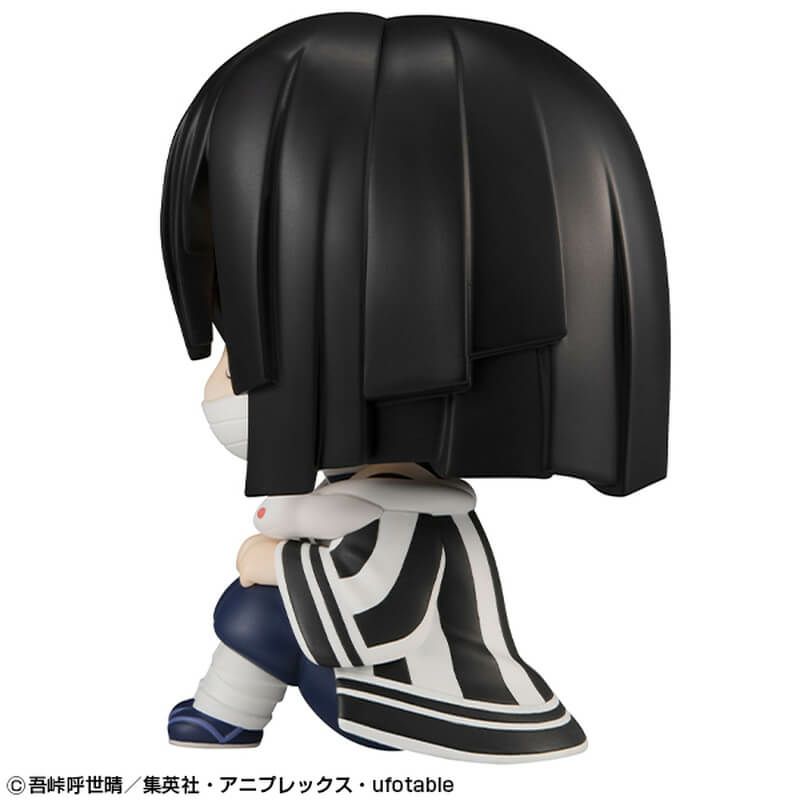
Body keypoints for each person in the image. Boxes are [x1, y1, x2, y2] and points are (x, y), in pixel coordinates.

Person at [161, 13, 669, 762]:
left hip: (419, 703)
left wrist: (267, 562)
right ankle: (221, 715)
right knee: (258, 607)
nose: (218, 385)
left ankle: (226, 715)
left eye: (243, 358)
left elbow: (376, 610)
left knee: (255, 611)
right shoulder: (379, 503)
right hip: (388, 685)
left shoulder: (408, 519)